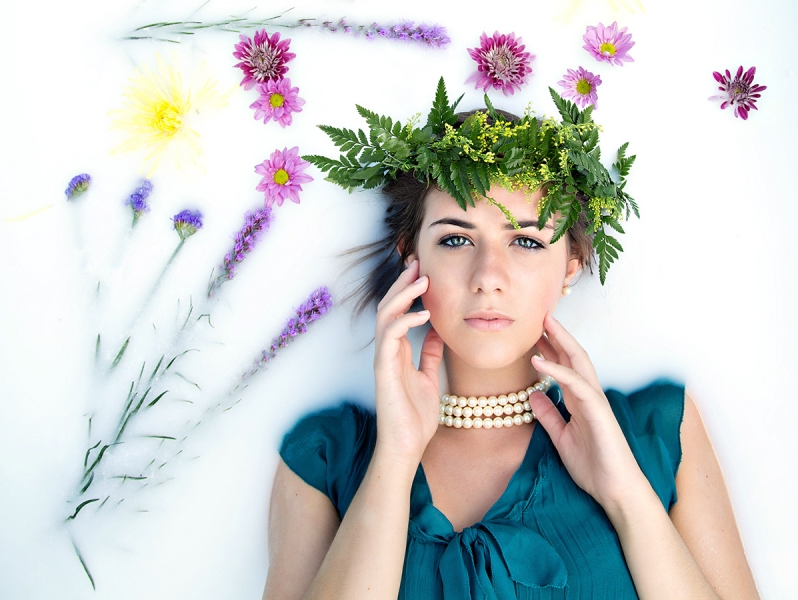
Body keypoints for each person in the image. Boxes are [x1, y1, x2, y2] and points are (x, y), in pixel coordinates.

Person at [263, 80, 759, 599]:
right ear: (412, 258)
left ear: (570, 269)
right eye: (456, 239)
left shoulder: (658, 432)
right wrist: (393, 459)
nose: (488, 276)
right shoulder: (324, 459)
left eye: (525, 240)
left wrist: (627, 496)